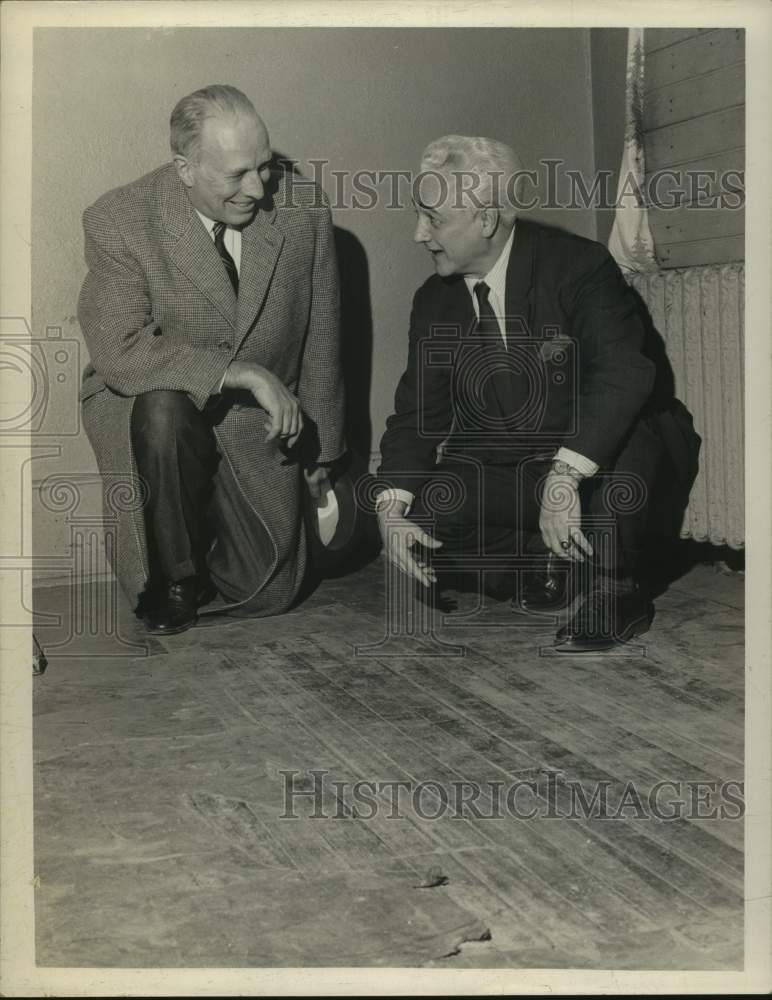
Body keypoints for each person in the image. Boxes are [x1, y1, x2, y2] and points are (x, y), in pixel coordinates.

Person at [376, 135, 698, 652]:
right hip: (515, 467)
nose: (419, 234)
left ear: (486, 219)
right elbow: (417, 415)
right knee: (420, 515)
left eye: (432, 219)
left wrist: (566, 476)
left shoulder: (580, 266)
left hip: (603, 461)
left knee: (636, 430)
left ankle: (616, 587)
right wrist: (390, 509)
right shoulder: (434, 301)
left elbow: (623, 376)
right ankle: (541, 559)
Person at [78, 85, 344, 634]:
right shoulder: (120, 219)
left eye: (264, 167)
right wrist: (242, 372)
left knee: (266, 590)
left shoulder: (303, 210)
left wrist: (326, 455)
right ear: (185, 169)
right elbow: (120, 351)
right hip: (147, 408)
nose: (259, 188)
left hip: (254, 423)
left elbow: (323, 336)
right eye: (237, 174)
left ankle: (214, 558)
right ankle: (174, 580)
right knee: (163, 407)